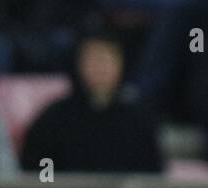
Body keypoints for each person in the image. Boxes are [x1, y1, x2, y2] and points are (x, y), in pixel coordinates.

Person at [19, 31, 162, 174]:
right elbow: (37, 168)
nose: (101, 68)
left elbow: (151, 174)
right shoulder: (54, 120)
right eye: (94, 60)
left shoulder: (138, 122)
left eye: (107, 60)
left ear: (121, 64)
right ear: (79, 64)